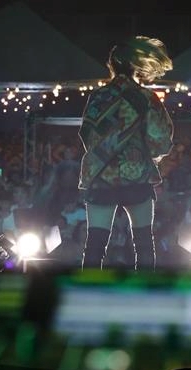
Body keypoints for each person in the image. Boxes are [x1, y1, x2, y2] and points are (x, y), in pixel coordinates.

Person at [78, 36, 174, 270]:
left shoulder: (98, 96)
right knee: (143, 243)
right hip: (136, 175)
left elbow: (87, 133)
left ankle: (88, 288)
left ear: (112, 65)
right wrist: (147, 154)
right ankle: (146, 289)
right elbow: (160, 139)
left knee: (95, 244)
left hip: (101, 175)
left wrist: (104, 154)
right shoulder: (146, 98)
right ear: (136, 65)